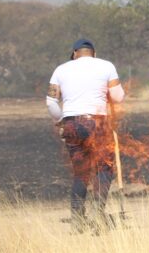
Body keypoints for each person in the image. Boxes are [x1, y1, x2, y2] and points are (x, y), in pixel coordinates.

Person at [46, 38, 125, 233]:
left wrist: (60, 120)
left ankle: (78, 222)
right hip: (97, 122)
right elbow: (118, 97)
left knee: (81, 173)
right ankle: (99, 216)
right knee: (104, 170)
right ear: (94, 53)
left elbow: (51, 102)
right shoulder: (106, 66)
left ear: (74, 53)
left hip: (72, 123)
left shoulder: (61, 69)